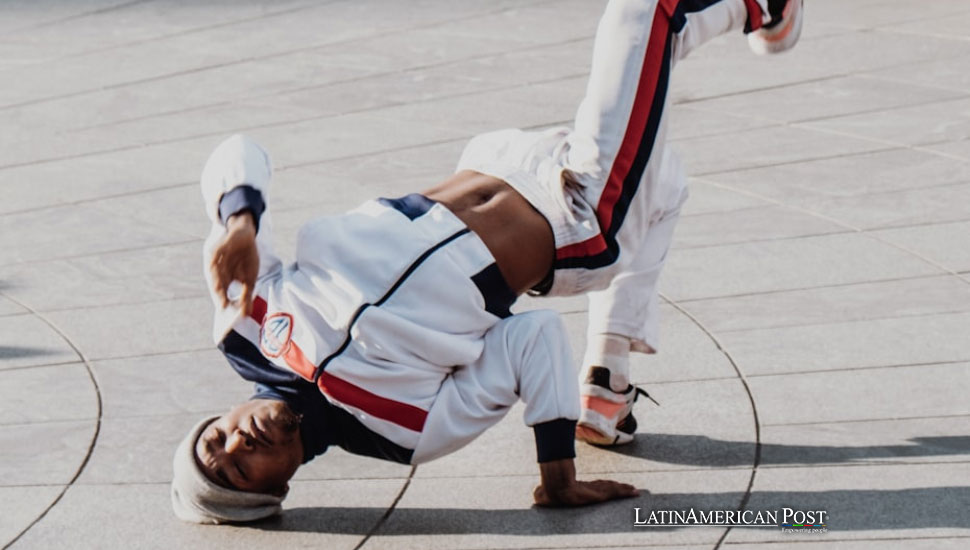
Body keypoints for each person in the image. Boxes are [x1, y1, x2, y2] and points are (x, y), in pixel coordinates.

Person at [171, 0, 803, 524]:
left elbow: (237, 149)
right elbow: (532, 338)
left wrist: (240, 222)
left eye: (214, 441)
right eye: (238, 471)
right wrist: (556, 473)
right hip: (578, 215)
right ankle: (766, 7)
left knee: (664, 184)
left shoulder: (244, 324)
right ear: (276, 490)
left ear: (214, 419)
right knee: (649, 13)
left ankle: (607, 390)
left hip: (499, 158)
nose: (237, 444)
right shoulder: (405, 432)